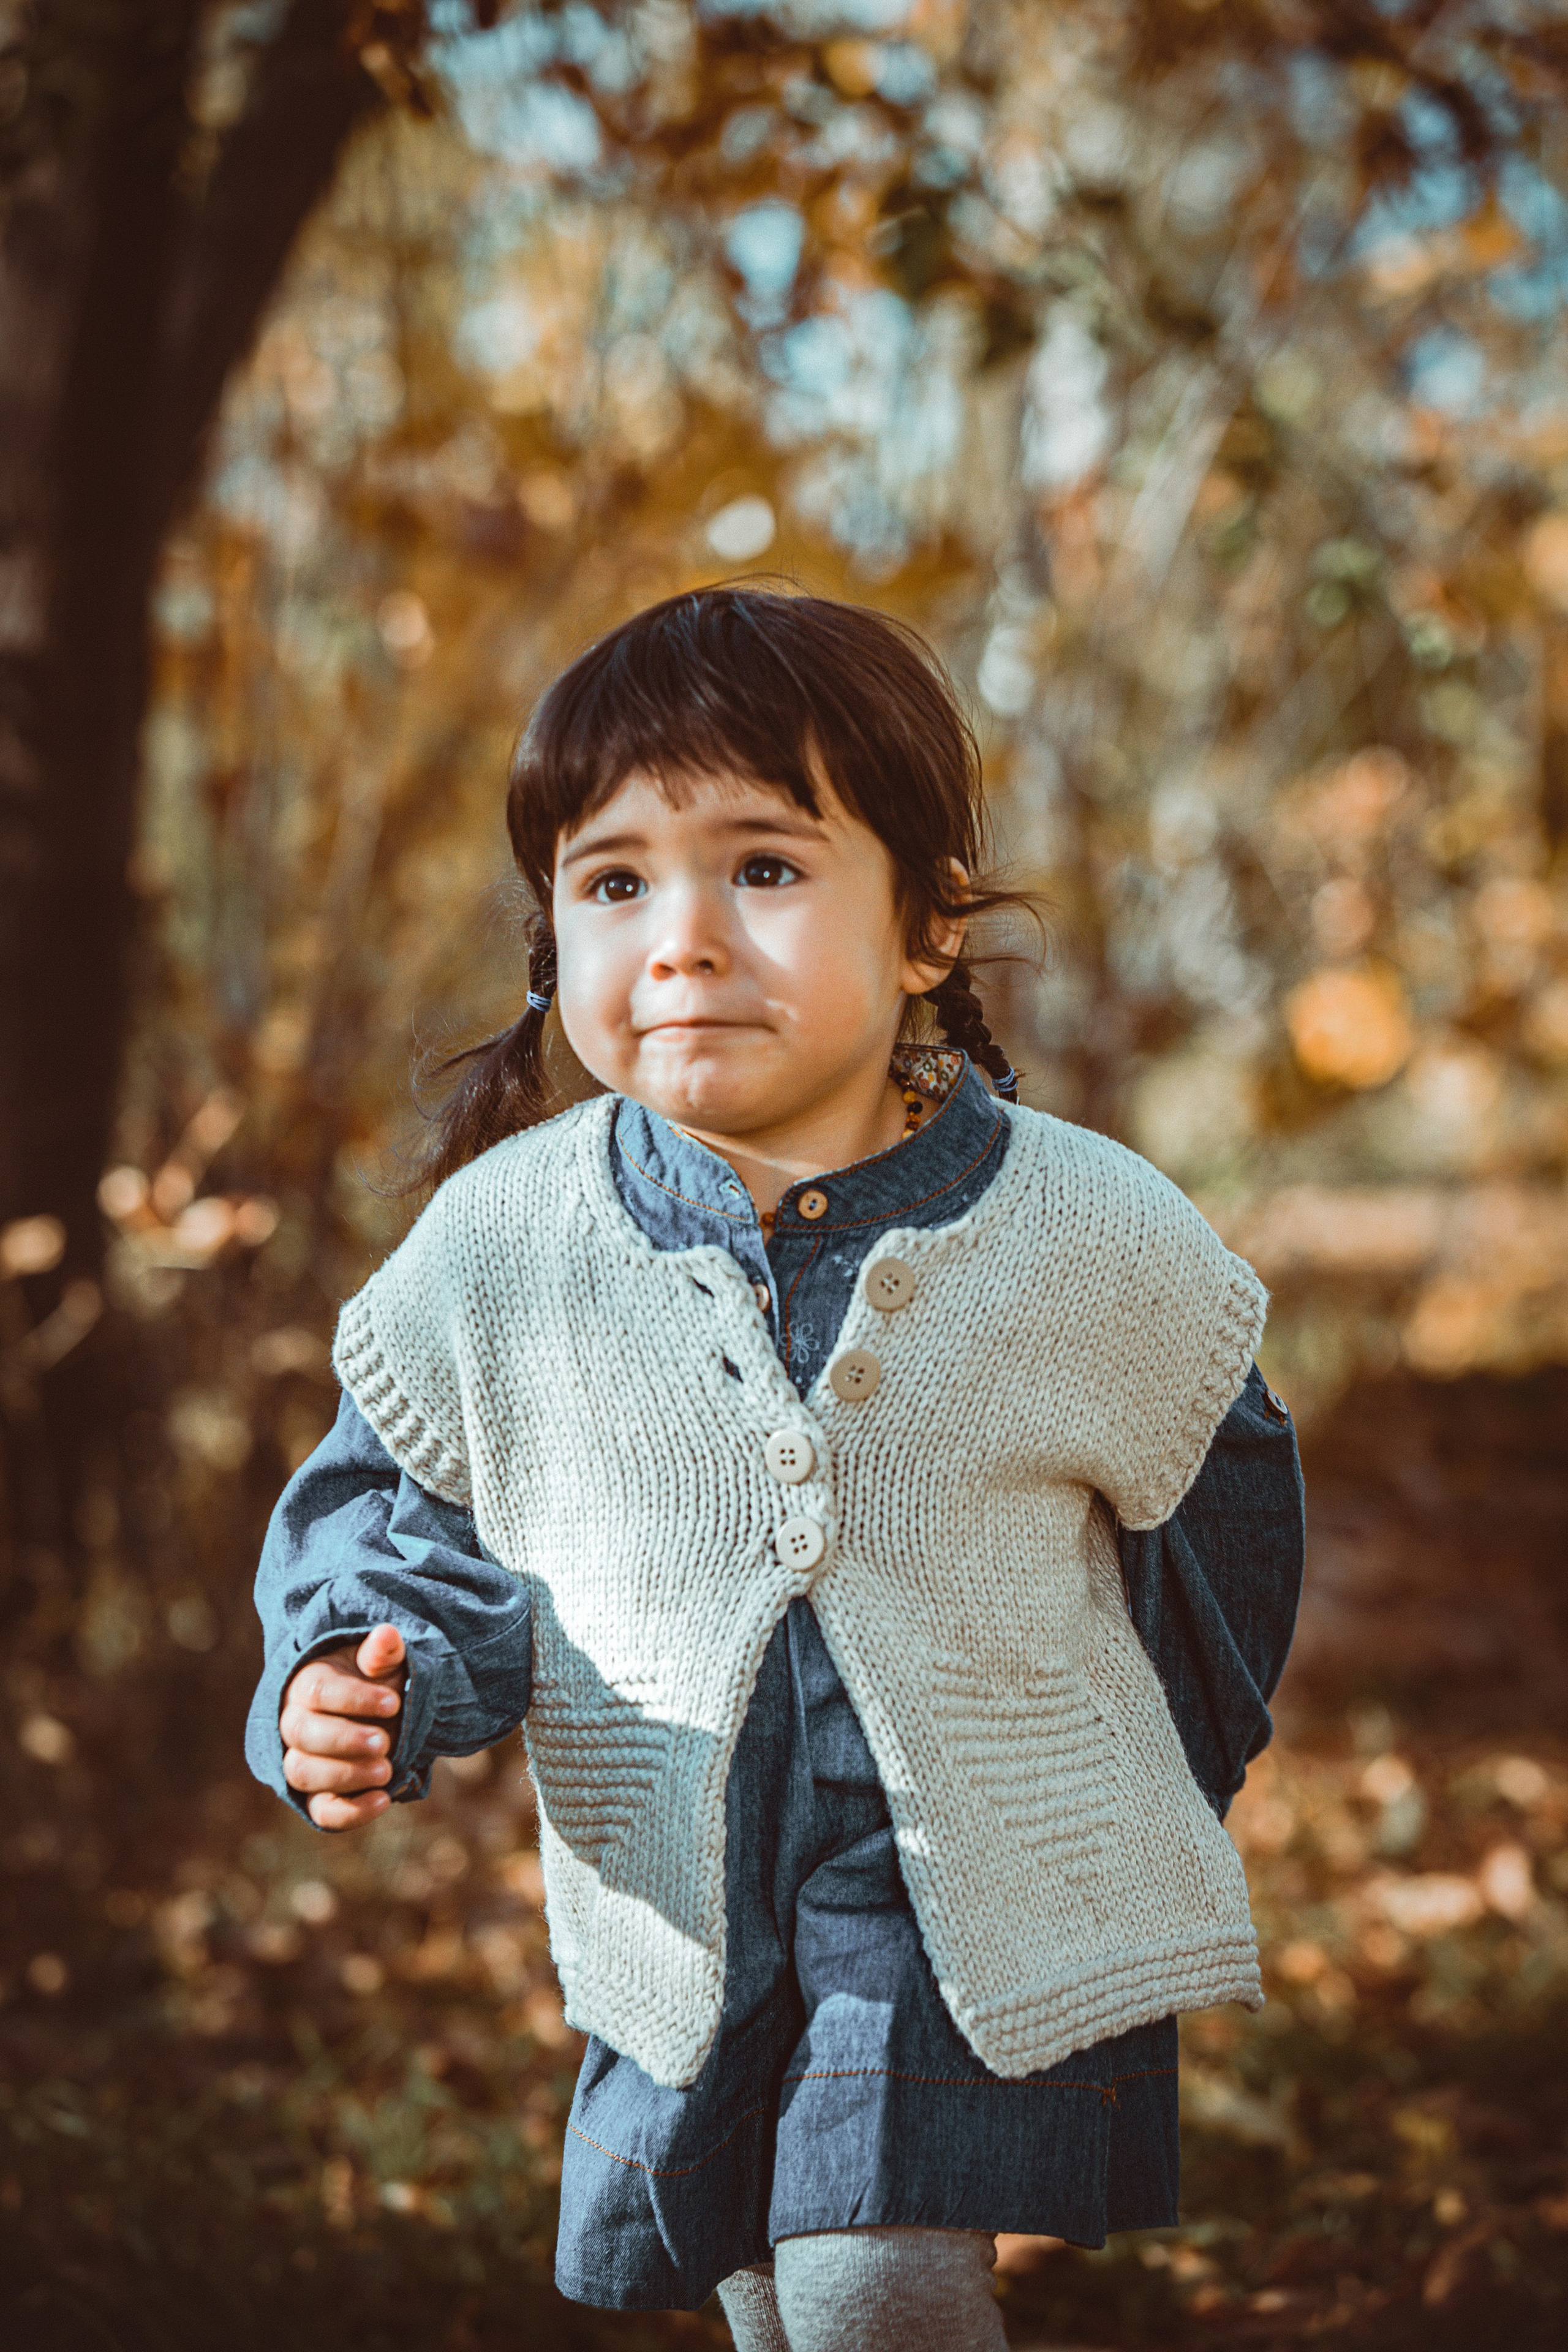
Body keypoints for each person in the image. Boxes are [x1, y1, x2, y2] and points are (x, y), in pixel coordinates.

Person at [247, 587, 1303, 2350]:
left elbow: (1225, 1490)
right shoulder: (505, 1247)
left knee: (872, 2279)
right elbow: (395, 1509)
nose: (680, 937)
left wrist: (1148, 1764)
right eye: (614, 883)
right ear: (552, 936)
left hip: (964, 1882)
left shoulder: (1084, 1229)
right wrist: (377, 1674)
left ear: (923, 930)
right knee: (760, 2281)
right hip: (676, 1894)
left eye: (763, 867)